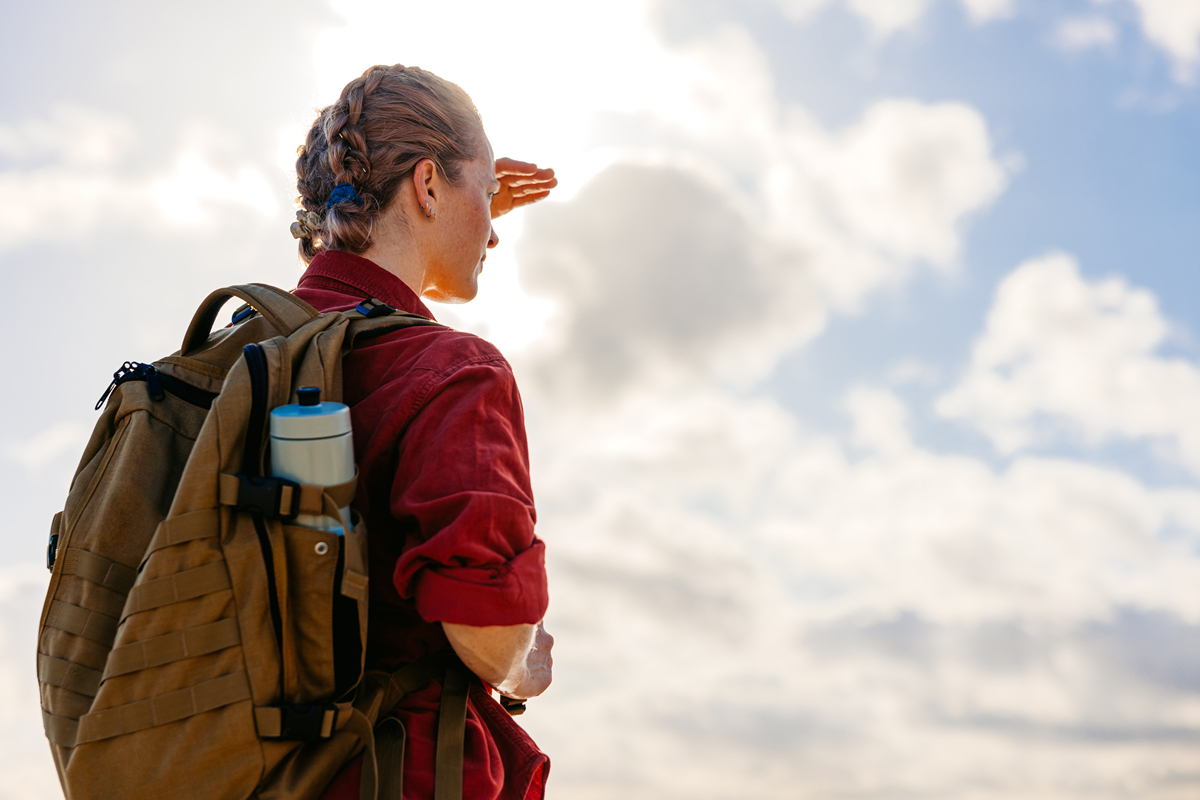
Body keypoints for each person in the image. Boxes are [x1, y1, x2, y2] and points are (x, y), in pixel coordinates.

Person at [287, 64, 558, 800]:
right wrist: (523, 663)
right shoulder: (453, 372)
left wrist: (468, 194)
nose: (495, 232)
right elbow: (487, 628)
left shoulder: (248, 356)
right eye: (488, 198)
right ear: (428, 184)